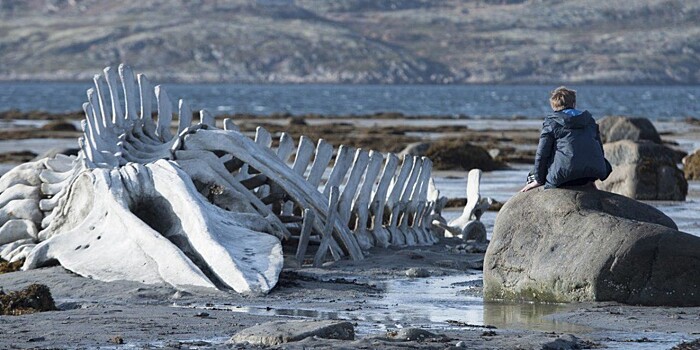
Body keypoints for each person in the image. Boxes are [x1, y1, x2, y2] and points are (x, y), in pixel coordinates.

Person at [520, 87, 611, 192]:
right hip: (591, 175)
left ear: (554, 105)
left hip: (565, 177)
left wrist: (538, 180)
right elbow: (599, 149)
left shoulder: (552, 122)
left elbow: (542, 154)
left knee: (532, 174)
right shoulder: (589, 120)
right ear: (573, 103)